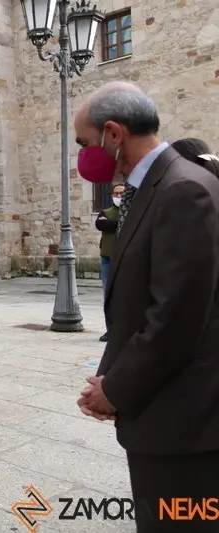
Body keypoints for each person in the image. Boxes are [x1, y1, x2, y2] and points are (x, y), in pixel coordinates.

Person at [75, 82, 219, 532]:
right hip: (159, 411)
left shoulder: (182, 190)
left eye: (84, 142)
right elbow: (135, 301)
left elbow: (174, 320)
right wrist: (109, 376)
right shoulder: (154, 187)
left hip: (182, 426)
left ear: (113, 134)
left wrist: (115, 391)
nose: (81, 155)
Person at [94, 182, 124, 342]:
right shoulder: (106, 211)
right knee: (108, 297)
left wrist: (112, 224)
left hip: (125, 261)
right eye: (116, 193)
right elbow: (100, 224)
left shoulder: (132, 211)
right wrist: (119, 224)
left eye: (121, 193)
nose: (119, 196)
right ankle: (110, 329)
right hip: (107, 260)